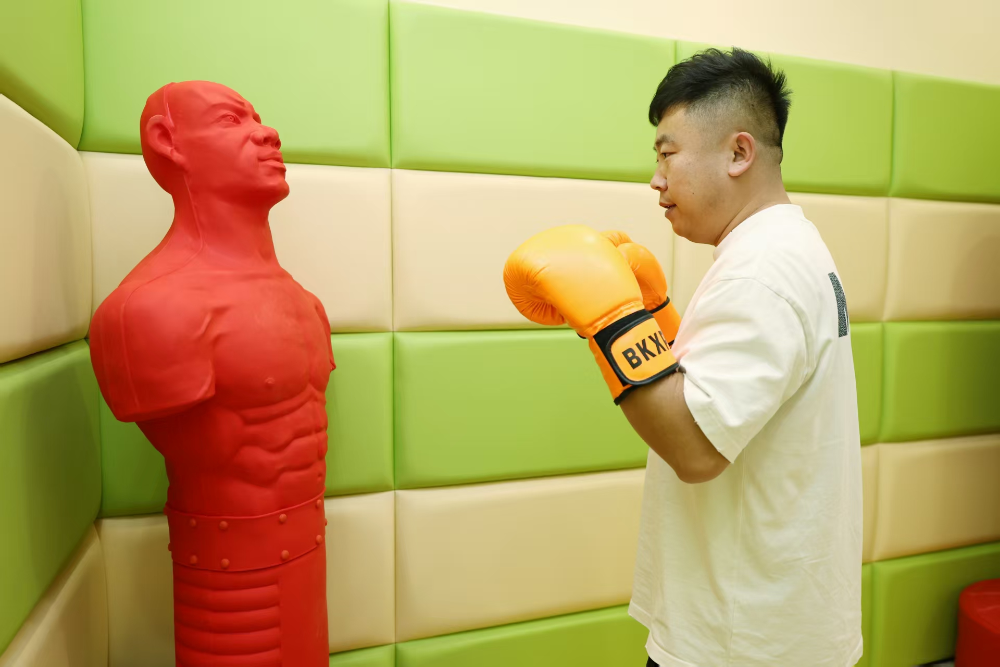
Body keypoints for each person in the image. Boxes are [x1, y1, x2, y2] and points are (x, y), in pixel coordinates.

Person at [504, 48, 862, 666]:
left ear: (739, 152)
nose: (656, 179)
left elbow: (696, 449)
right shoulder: (788, 247)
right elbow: (735, 401)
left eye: (667, 154)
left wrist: (613, 322)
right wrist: (658, 316)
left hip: (738, 642)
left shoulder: (759, 273)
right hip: (765, 621)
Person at [89, 81, 334, 666]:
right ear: (167, 141)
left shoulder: (305, 303)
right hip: (227, 591)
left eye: (259, 118)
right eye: (231, 120)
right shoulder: (150, 309)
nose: (267, 133)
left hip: (310, 564)